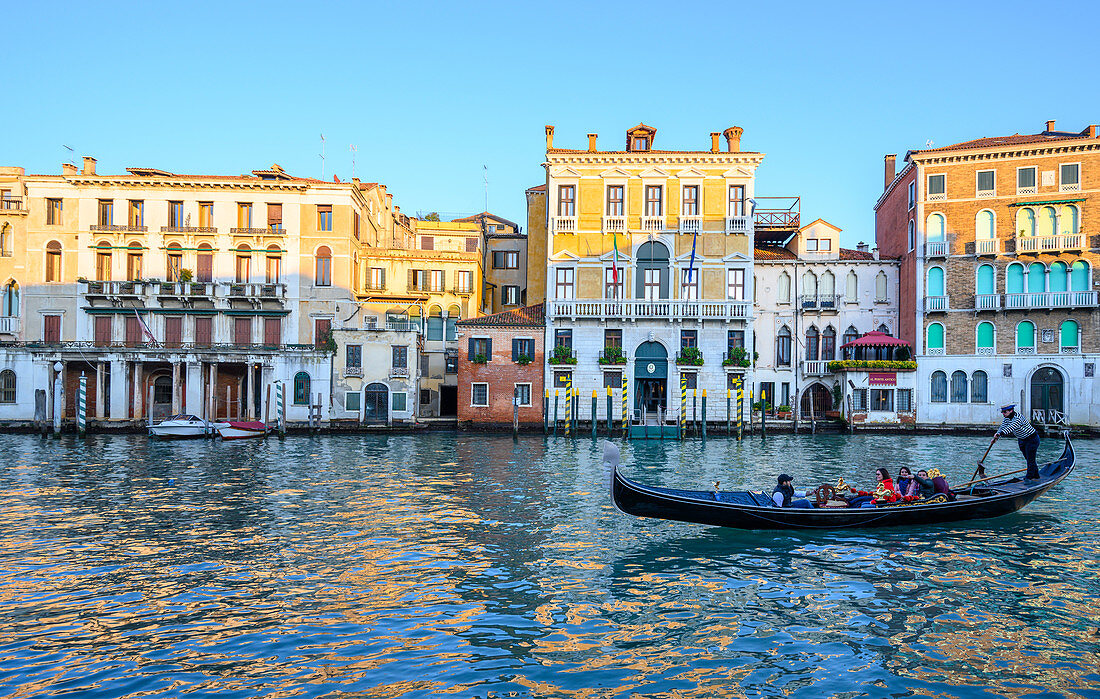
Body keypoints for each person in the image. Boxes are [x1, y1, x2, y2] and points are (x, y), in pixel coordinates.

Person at [992, 403, 1040, 481]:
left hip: (1032, 439)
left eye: (1005, 412)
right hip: (1022, 439)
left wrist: (1000, 434)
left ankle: (1029, 477)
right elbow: (1003, 427)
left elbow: (1011, 427)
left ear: (1011, 411)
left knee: (1030, 459)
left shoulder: (1018, 418)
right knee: (1028, 459)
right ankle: (1036, 475)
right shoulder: (1007, 418)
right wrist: (997, 436)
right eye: (1002, 412)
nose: (1003, 414)